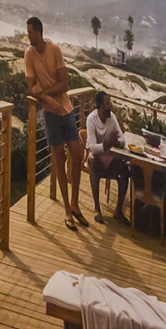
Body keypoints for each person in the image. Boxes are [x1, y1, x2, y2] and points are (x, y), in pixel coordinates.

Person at [24, 16, 88, 230]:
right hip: (50, 114)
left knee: (77, 156)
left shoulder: (55, 50)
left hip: (67, 109)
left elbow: (65, 84)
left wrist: (45, 93)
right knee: (59, 159)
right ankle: (67, 212)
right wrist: (49, 100)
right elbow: (30, 87)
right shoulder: (29, 54)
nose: (29, 36)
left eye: (31, 32)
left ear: (39, 33)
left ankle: (75, 204)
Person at [85, 91, 130, 224]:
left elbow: (122, 140)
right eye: (107, 103)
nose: (110, 106)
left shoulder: (112, 118)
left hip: (110, 155)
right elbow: (93, 147)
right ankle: (97, 209)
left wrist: (116, 142)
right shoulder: (91, 119)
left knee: (125, 171)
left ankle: (118, 211)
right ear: (99, 106)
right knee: (93, 161)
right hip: (97, 156)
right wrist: (108, 143)